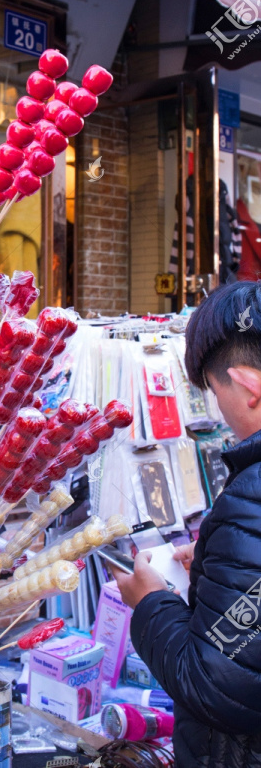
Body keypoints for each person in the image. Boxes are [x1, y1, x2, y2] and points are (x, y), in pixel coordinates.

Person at [111, 281, 261, 767]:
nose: (217, 410)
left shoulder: (253, 499)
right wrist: (222, 567)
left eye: (216, 393)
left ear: (247, 386)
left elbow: (215, 684)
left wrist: (150, 602)